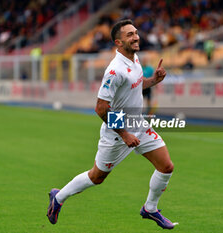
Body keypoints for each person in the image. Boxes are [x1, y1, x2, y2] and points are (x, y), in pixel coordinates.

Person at [46, 19, 176, 229]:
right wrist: (124, 134)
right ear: (118, 42)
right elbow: (101, 108)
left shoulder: (134, 59)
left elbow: (135, 85)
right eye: (129, 35)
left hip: (138, 124)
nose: (135, 37)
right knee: (96, 177)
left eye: (135, 33)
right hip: (117, 134)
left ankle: (150, 209)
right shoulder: (114, 71)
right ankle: (58, 197)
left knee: (166, 166)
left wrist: (154, 81)